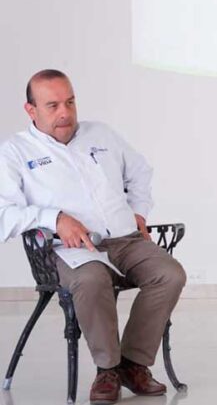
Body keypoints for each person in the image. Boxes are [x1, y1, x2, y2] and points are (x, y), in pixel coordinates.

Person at [0, 69, 186, 404]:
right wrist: (54, 219)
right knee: (92, 279)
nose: (65, 113)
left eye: (70, 102)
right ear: (31, 110)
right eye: (53, 105)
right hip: (68, 249)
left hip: (126, 239)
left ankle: (133, 363)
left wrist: (139, 211)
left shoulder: (100, 134)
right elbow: (4, 213)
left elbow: (140, 171)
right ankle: (107, 369)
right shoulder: (15, 152)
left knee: (169, 274)